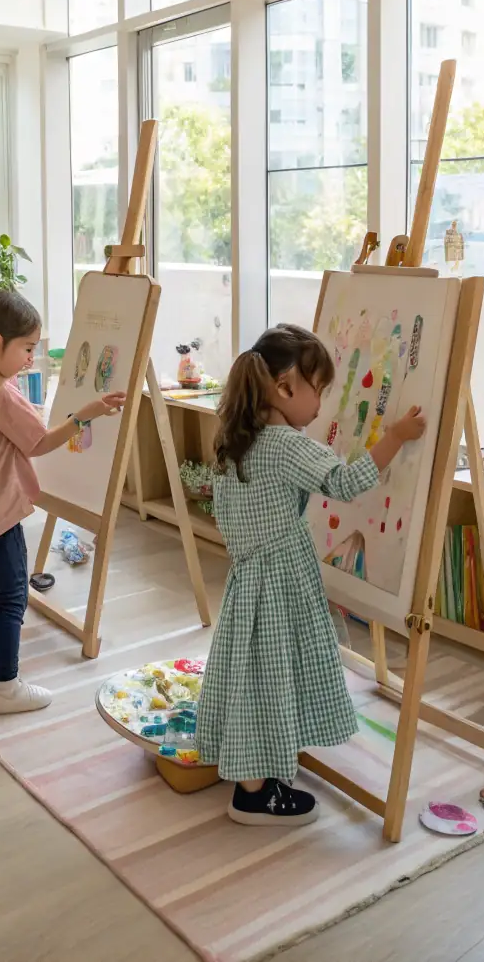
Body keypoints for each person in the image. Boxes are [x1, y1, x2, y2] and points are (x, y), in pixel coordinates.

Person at [196, 324, 426, 825]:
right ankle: (254, 795)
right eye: (317, 390)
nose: (321, 404)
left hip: (250, 579)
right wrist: (394, 438)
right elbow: (344, 482)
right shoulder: (282, 443)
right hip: (280, 582)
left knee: (254, 676)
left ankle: (252, 770)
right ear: (284, 388)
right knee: (272, 677)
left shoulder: (238, 438)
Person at [0, 290, 125, 714]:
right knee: (12, 596)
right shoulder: (4, 396)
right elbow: (40, 442)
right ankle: (6, 689)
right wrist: (84, 414)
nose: (31, 358)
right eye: (27, 348)